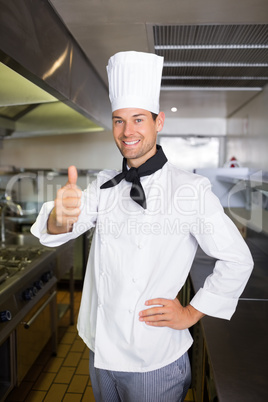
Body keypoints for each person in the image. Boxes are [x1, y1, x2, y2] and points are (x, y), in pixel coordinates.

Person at [31, 51, 254, 402]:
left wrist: (191, 312)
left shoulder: (190, 189)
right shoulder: (104, 184)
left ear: (158, 122)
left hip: (156, 359)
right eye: (119, 121)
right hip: (101, 351)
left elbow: (238, 260)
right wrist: (60, 216)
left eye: (138, 119)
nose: (127, 131)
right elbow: (61, 228)